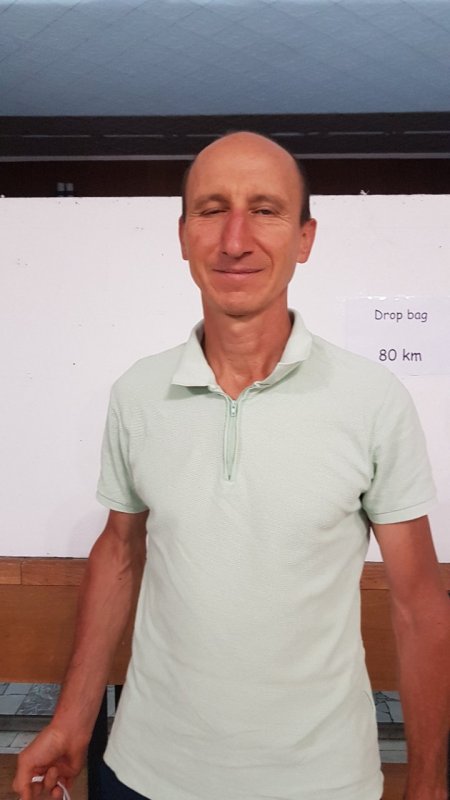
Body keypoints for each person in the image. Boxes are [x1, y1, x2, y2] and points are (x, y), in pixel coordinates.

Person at [14, 131, 450, 800]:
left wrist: (427, 781)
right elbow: (120, 552)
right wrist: (72, 720)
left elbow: (419, 602)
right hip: (143, 774)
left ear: (305, 238)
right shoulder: (139, 393)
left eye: (265, 210)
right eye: (212, 210)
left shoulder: (372, 400)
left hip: (321, 783)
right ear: (183, 235)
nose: (235, 239)